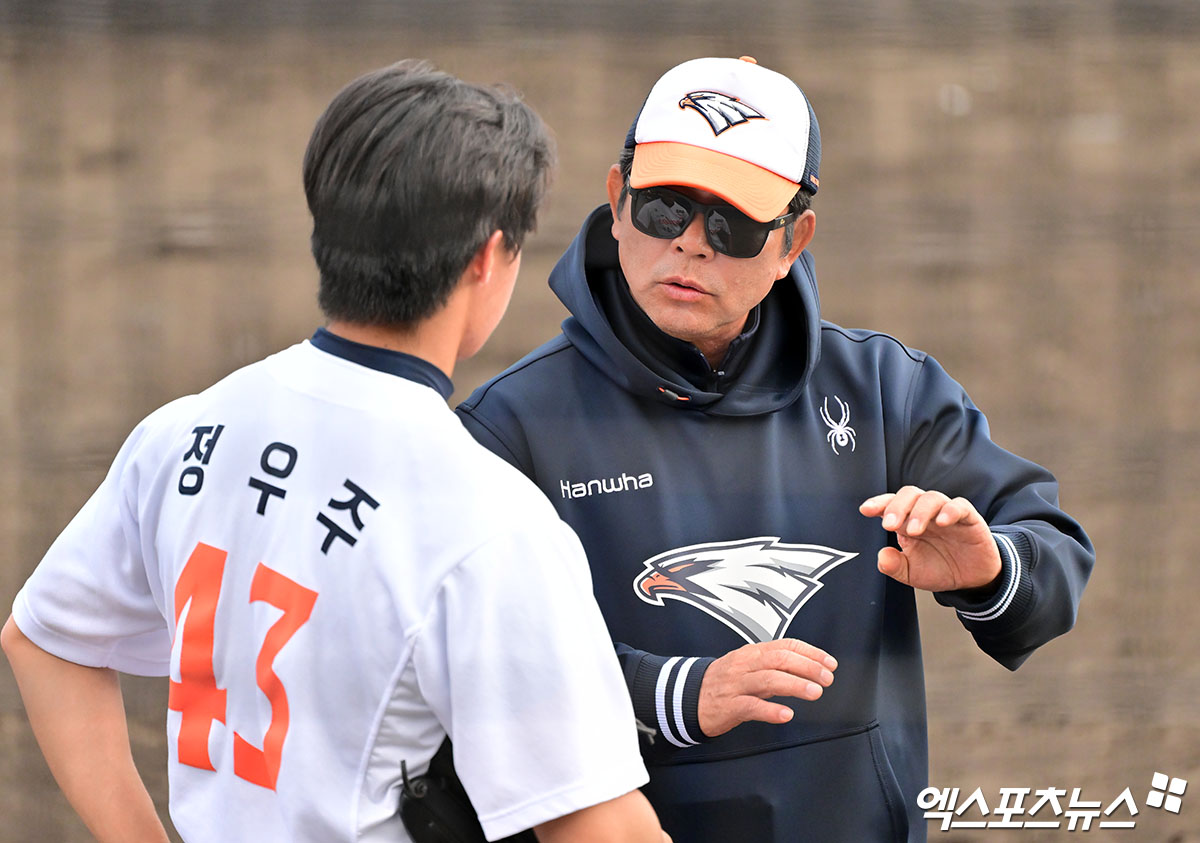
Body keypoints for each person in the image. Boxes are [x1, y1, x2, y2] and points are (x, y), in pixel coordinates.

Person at [2, 60, 668, 843]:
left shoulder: (185, 430)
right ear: (488, 258)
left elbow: (43, 638)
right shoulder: (487, 517)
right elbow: (601, 828)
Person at [455, 56, 1095, 841]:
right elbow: (464, 674)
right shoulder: (507, 427)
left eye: (732, 223)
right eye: (664, 208)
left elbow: (1054, 557)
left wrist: (989, 567)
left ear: (794, 239)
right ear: (617, 202)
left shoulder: (885, 389)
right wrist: (673, 696)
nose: (690, 244)